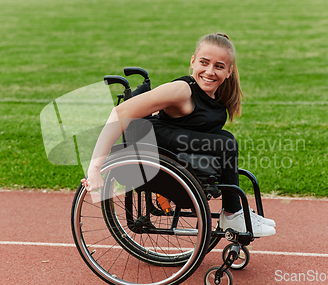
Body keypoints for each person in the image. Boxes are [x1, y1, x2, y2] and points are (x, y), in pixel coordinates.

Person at [81, 33, 275, 237]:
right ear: (192, 62)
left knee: (226, 139)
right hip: (151, 138)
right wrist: (95, 167)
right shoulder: (182, 90)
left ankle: (234, 212)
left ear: (229, 71)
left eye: (219, 66)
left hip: (173, 138)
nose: (210, 71)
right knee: (226, 143)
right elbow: (120, 113)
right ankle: (232, 214)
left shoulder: (218, 94)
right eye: (204, 62)